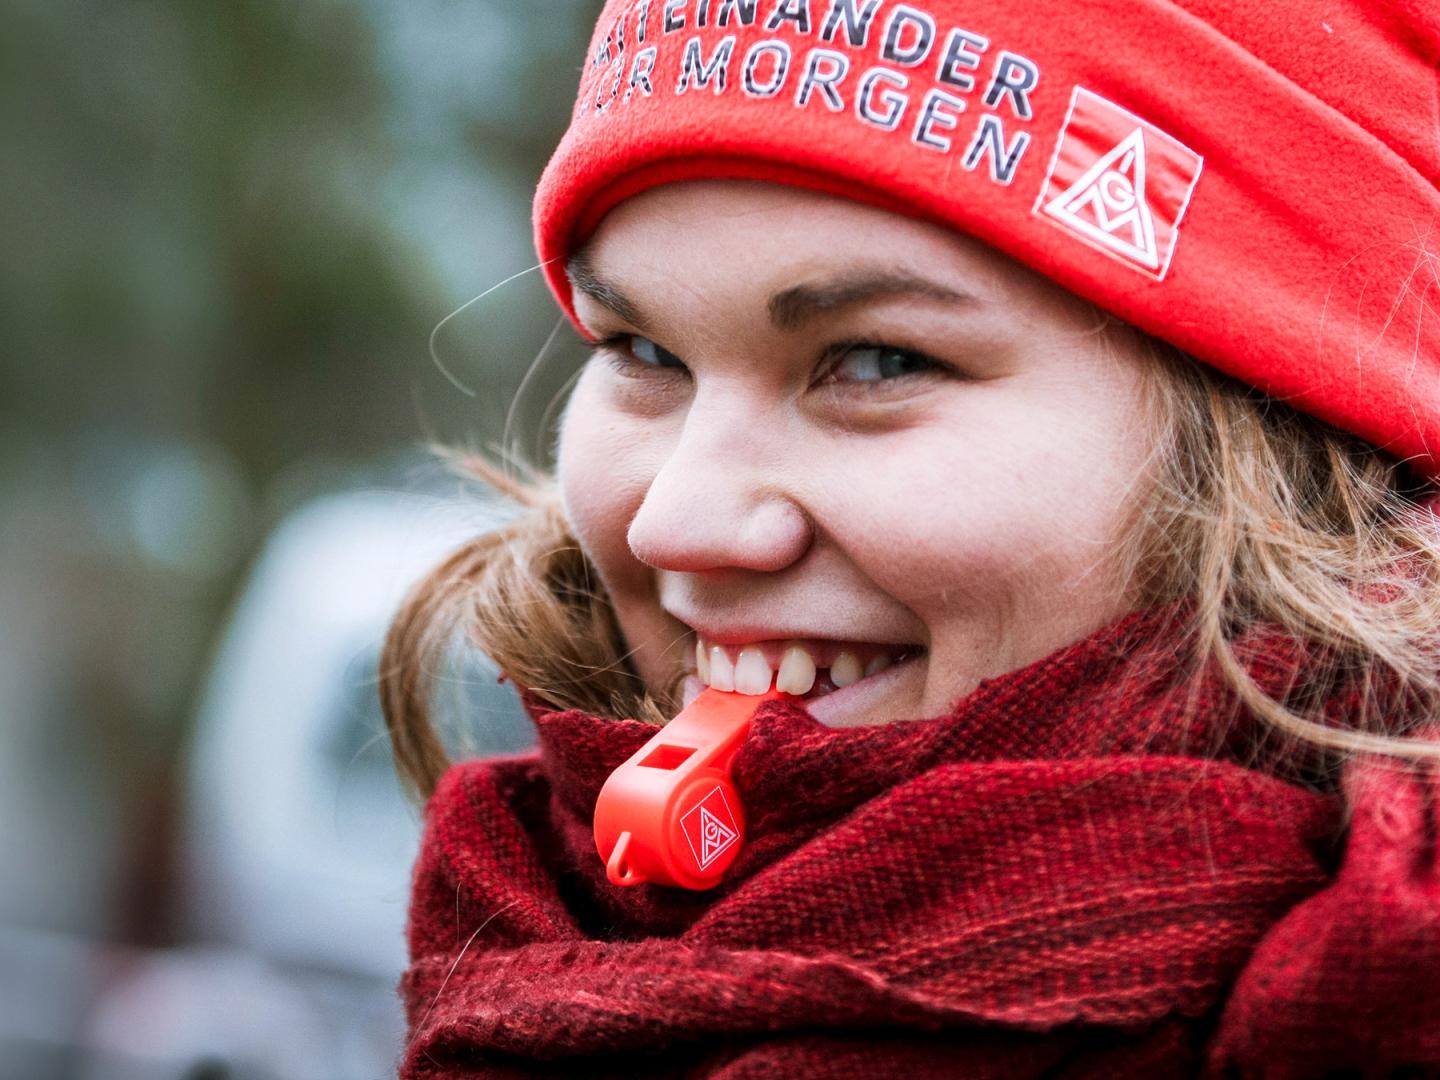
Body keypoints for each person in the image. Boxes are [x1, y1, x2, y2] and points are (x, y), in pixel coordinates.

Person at [382, 1, 1440, 1075]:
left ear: (1287, 446)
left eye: (878, 361)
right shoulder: (520, 923)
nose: (677, 524)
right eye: (643, 350)